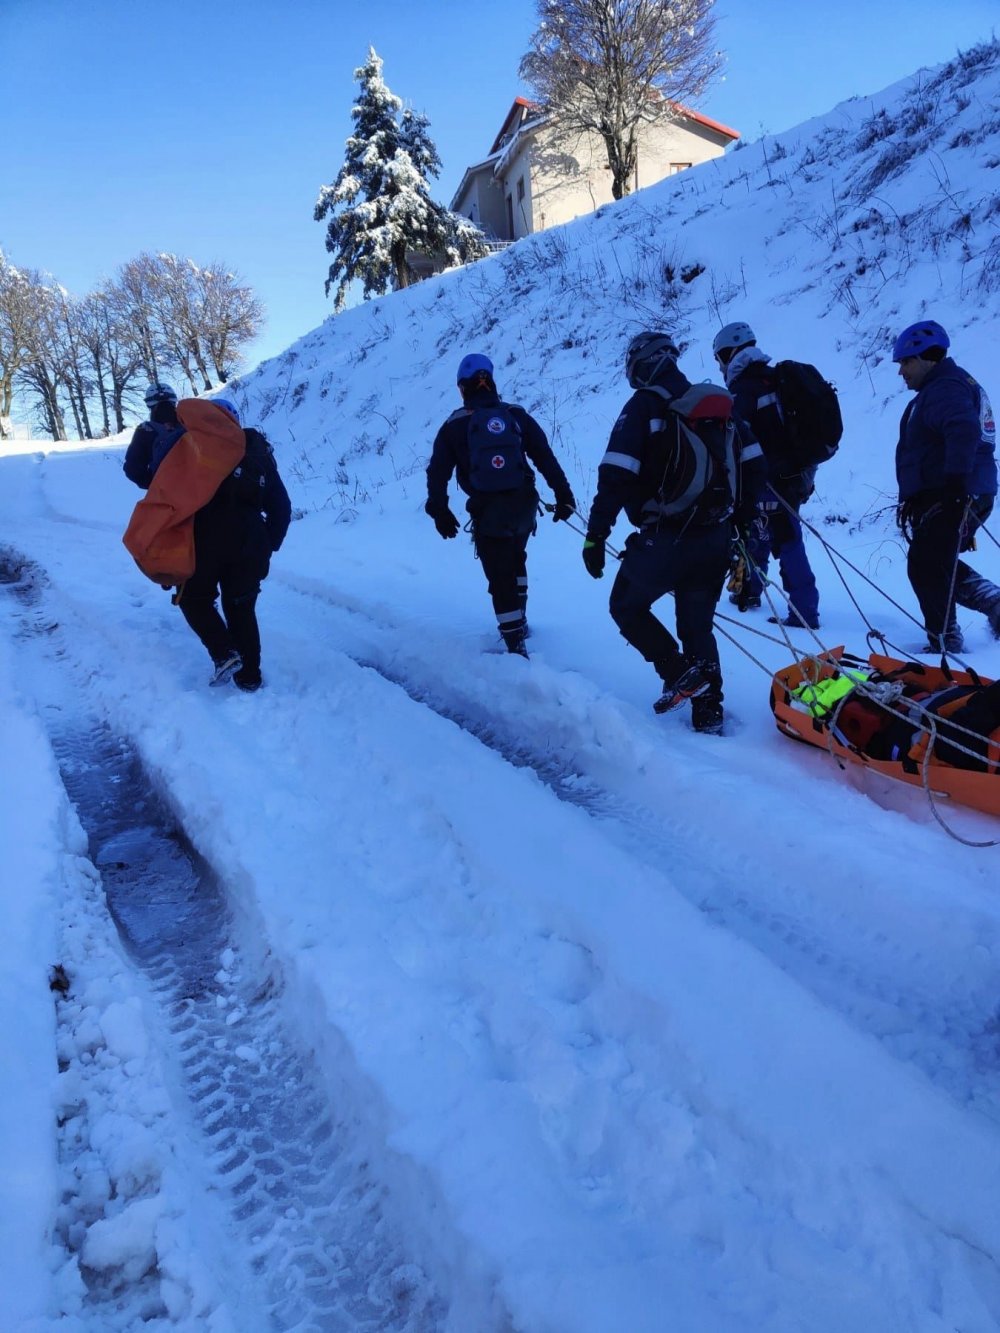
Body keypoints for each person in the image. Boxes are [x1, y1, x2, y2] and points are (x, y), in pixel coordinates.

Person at [582, 332, 765, 734]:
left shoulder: (645, 406)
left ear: (640, 365)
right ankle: (710, 710)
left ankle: (678, 671)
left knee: (626, 606)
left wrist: (596, 536)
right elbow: (754, 463)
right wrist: (743, 520)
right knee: (697, 625)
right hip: (716, 536)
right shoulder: (717, 404)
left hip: (664, 538)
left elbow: (615, 474)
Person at [124, 389, 291, 691]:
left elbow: (161, 495)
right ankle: (250, 676)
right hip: (250, 541)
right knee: (241, 606)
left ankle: (224, 653)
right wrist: (269, 543)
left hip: (201, 542)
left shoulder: (188, 451)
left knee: (193, 599)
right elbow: (280, 506)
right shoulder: (255, 449)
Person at [425, 353, 576, 656]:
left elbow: (438, 471)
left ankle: (514, 644)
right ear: (490, 382)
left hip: (487, 510)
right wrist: (563, 495)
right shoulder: (515, 415)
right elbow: (544, 456)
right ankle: (520, 623)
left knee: (499, 576)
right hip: (524, 506)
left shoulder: (454, 425)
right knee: (517, 559)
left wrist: (439, 510)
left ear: (463, 388)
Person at [892, 319, 1000, 655]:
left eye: (906, 362)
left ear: (928, 358)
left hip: (957, 492)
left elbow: (963, 429)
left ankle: (946, 638)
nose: (901, 372)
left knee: (926, 562)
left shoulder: (945, 388)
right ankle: (954, 629)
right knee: (934, 559)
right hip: (957, 491)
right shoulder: (947, 385)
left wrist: (954, 487)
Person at [712, 321, 821, 629]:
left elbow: (735, 444)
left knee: (779, 539)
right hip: (794, 476)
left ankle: (804, 613)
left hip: (767, 478)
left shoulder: (743, 391)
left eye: (721, 357)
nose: (721, 366)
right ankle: (751, 590)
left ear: (730, 354)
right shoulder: (775, 380)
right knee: (764, 534)